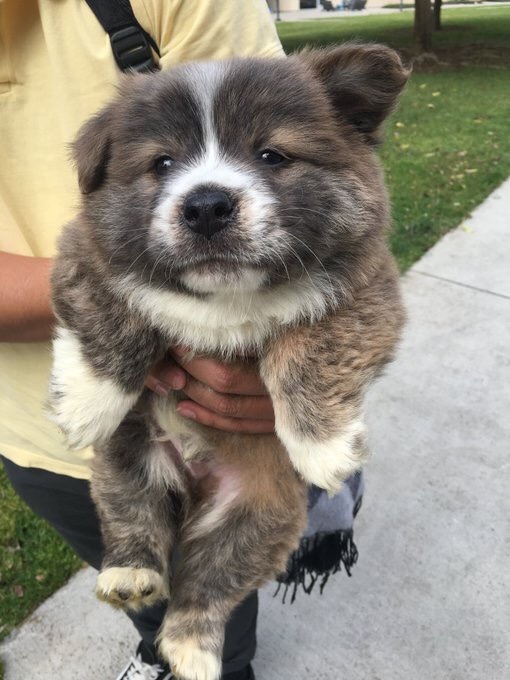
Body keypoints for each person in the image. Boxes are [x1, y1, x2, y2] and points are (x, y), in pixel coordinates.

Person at [0, 2, 284, 678]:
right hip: (34, 430)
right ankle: (158, 647)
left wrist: (304, 372)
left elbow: (305, 196)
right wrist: (136, 290)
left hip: (211, 428)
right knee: (135, 582)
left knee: (212, 605)